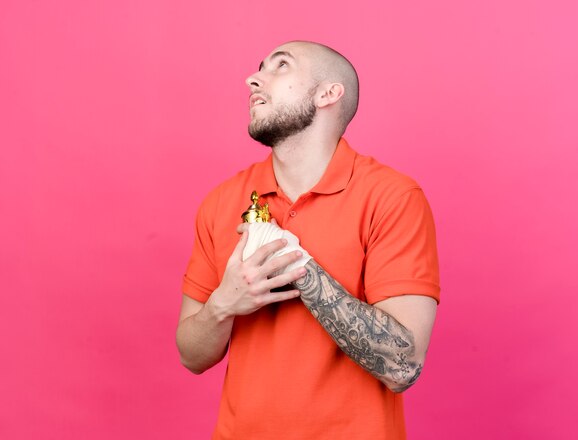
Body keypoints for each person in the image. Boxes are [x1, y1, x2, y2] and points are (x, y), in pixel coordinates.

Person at [176, 41, 440, 439]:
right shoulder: (221, 202)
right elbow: (191, 356)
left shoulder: (392, 197)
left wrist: (292, 260)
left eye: (281, 66)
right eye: (258, 68)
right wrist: (222, 305)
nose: (253, 79)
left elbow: (402, 366)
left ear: (328, 94)